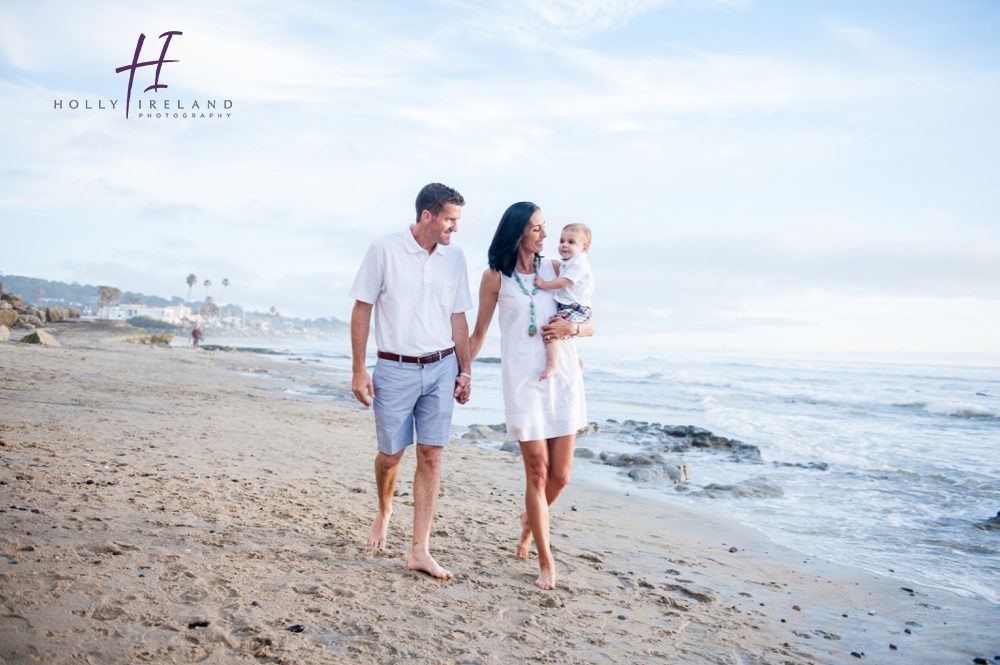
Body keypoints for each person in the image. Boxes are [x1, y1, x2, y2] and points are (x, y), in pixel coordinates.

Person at [349, 182, 473, 580]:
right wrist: (358, 368)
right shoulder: (384, 249)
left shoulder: (455, 259)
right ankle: (385, 510)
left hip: (442, 367)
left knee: (432, 456)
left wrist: (465, 369)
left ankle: (420, 549)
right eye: (450, 220)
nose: (455, 228)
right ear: (427, 216)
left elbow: (458, 318)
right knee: (391, 455)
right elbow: (362, 308)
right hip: (394, 367)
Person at [469, 202, 593, 590]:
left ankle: (529, 519)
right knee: (537, 472)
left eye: (545, 228)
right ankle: (545, 559)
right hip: (522, 381)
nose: (544, 236)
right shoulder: (495, 278)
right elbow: (479, 333)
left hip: (562, 376)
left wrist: (571, 332)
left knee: (562, 476)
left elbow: (588, 323)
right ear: (517, 232)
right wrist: (462, 371)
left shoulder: (558, 269)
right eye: (536, 229)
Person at [533, 223, 594, 381]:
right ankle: (576, 360)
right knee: (561, 332)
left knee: (552, 330)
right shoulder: (569, 262)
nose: (564, 245)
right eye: (562, 241)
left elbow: (563, 282)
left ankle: (553, 365)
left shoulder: (579, 263)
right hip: (572, 305)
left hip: (576, 307)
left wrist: (543, 284)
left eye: (571, 242)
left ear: (585, 248)